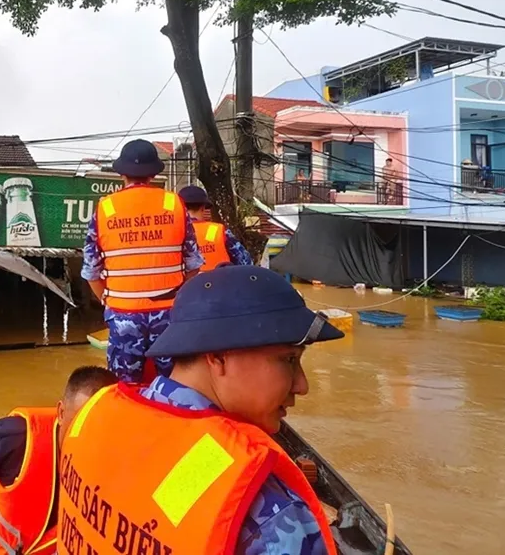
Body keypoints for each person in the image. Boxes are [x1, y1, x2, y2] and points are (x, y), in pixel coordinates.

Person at [57, 266, 344, 555]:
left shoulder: (97, 417)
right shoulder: (267, 515)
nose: (302, 385)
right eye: (289, 359)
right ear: (218, 357)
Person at [0, 366, 117, 555]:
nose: (85, 437)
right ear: (60, 412)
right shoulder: (11, 439)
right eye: (78, 423)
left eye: (99, 427)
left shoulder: (112, 466)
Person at [82, 139, 203, 383]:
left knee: (124, 387)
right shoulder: (174, 203)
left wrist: (109, 301)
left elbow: (91, 271)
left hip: (123, 314)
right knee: (174, 383)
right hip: (168, 313)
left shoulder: (106, 209)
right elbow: (193, 264)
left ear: (122, 174)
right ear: (154, 173)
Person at [178, 185, 253, 269]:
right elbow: (245, 261)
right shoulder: (217, 231)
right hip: (219, 281)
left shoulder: (174, 232)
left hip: (187, 282)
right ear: (203, 208)